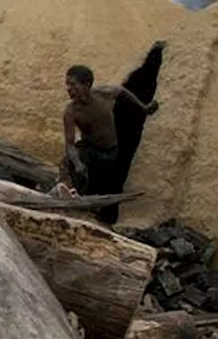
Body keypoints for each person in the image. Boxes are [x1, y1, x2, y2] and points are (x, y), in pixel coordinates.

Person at [59, 62, 159, 224]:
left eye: (73, 84)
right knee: (72, 165)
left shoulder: (102, 94)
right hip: (91, 151)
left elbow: (122, 92)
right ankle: (74, 207)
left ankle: (105, 218)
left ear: (87, 85)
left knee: (109, 187)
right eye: (67, 85)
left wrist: (143, 108)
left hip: (112, 152)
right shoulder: (71, 112)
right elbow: (69, 145)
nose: (69, 89)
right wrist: (77, 163)